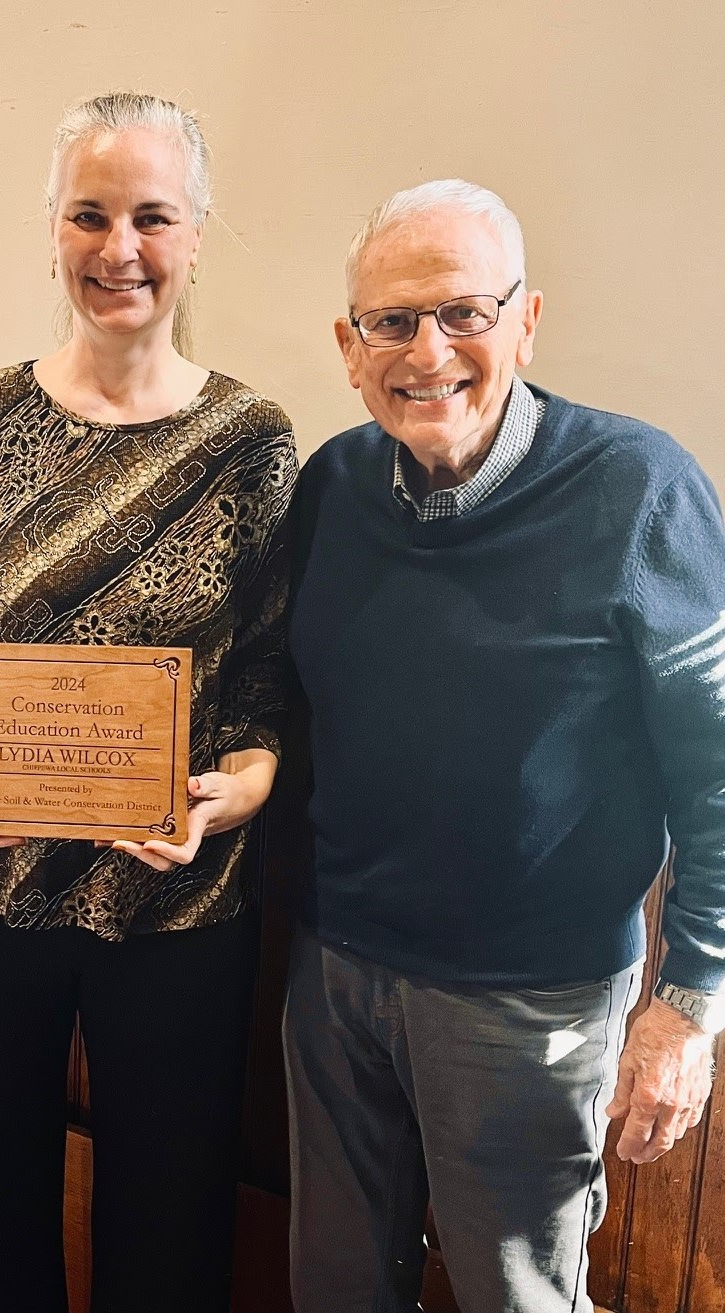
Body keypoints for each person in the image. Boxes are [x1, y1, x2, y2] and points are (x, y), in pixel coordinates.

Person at [283, 177, 725, 1313]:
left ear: (526, 319)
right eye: (391, 320)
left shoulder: (639, 490)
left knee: (514, 1295)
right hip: (336, 976)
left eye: (464, 312)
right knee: (336, 1288)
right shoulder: (331, 485)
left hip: (530, 1002)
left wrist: (689, 1003)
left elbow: (716, 763)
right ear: (348, 343)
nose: (428, 350)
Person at [0, 91, 297, 1313]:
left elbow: (270, 675)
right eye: (90, 215)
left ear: (197, 229)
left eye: (150, 217)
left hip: (173, 890)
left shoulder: (249, 437)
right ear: (54, 226)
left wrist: (247, 788)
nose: (119, 249)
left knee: (169, 1221)